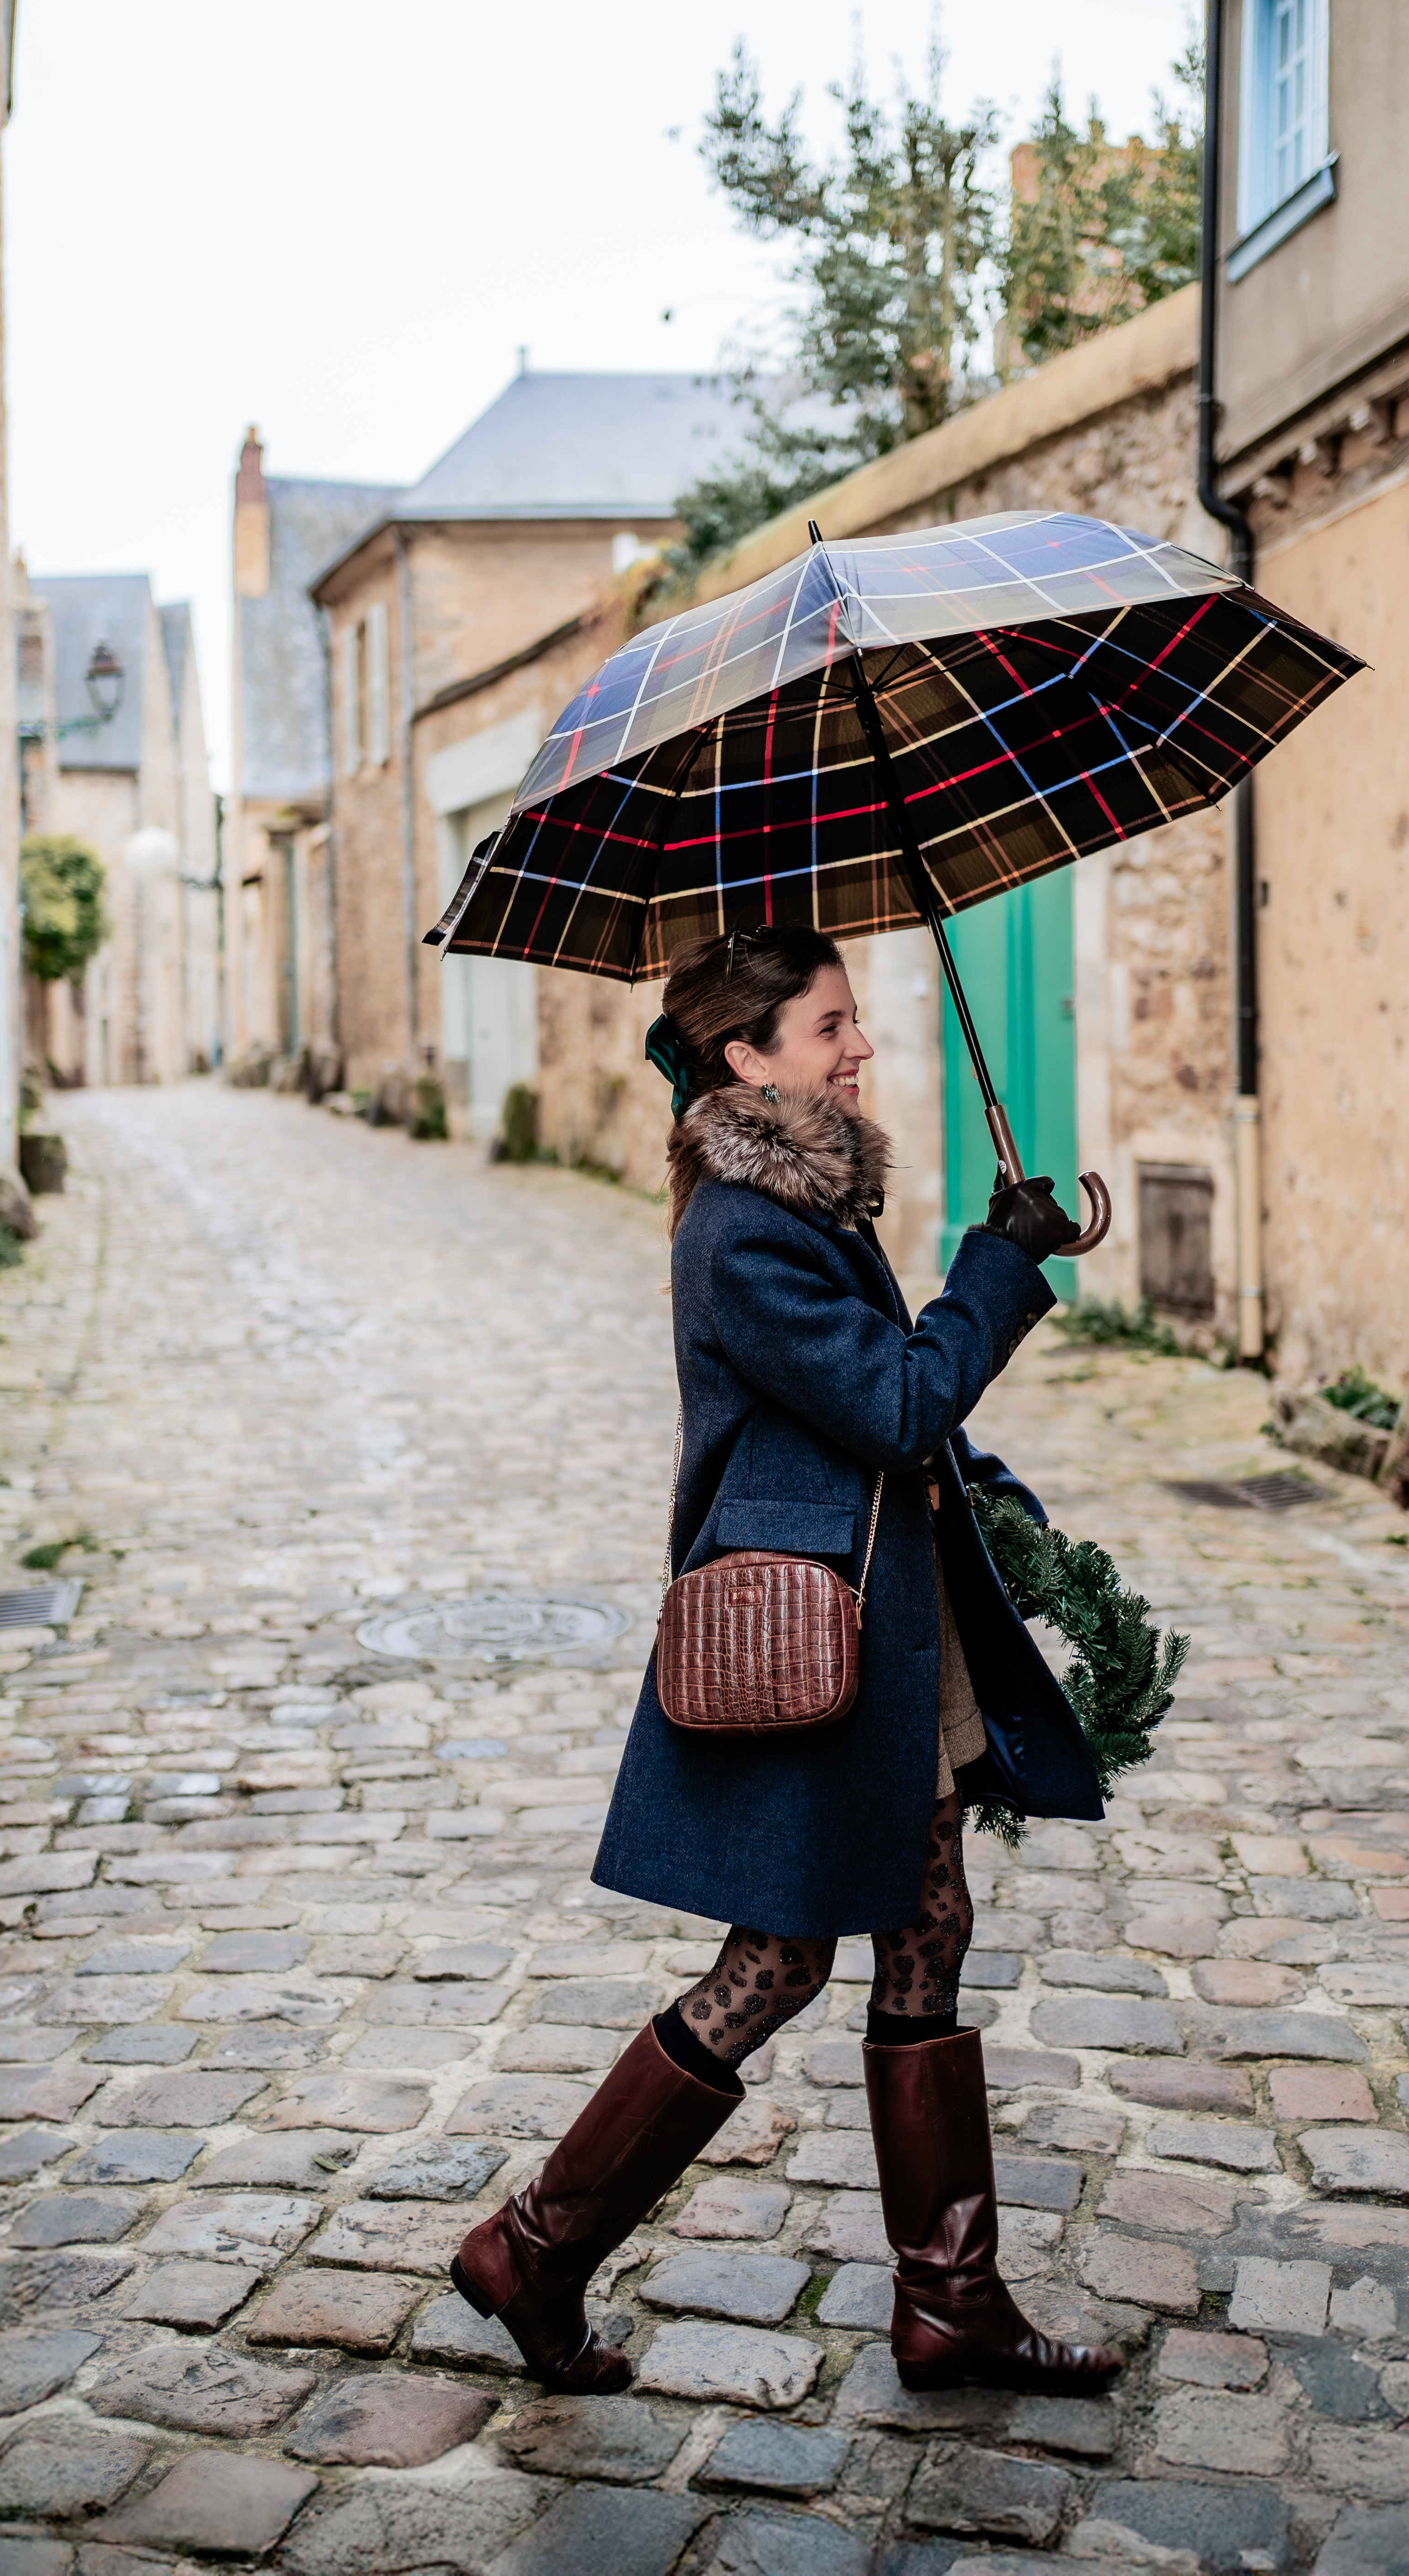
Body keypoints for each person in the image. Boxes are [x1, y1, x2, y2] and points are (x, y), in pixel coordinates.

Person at [451, 922, 1118, 2397]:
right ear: (748, 1058)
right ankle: (540, 2243)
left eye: (857, 1021)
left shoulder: (806, 1201)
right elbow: (887, 1398)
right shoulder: (743, 1227)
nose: (861, 1045)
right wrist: (997, 1265)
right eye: (831, 1026)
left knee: (929, 1920)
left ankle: (952, 2303)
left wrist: (984, 1473)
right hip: (814, 1637)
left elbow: (890, 1415)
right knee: (779, 1959)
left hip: (885, 1614)